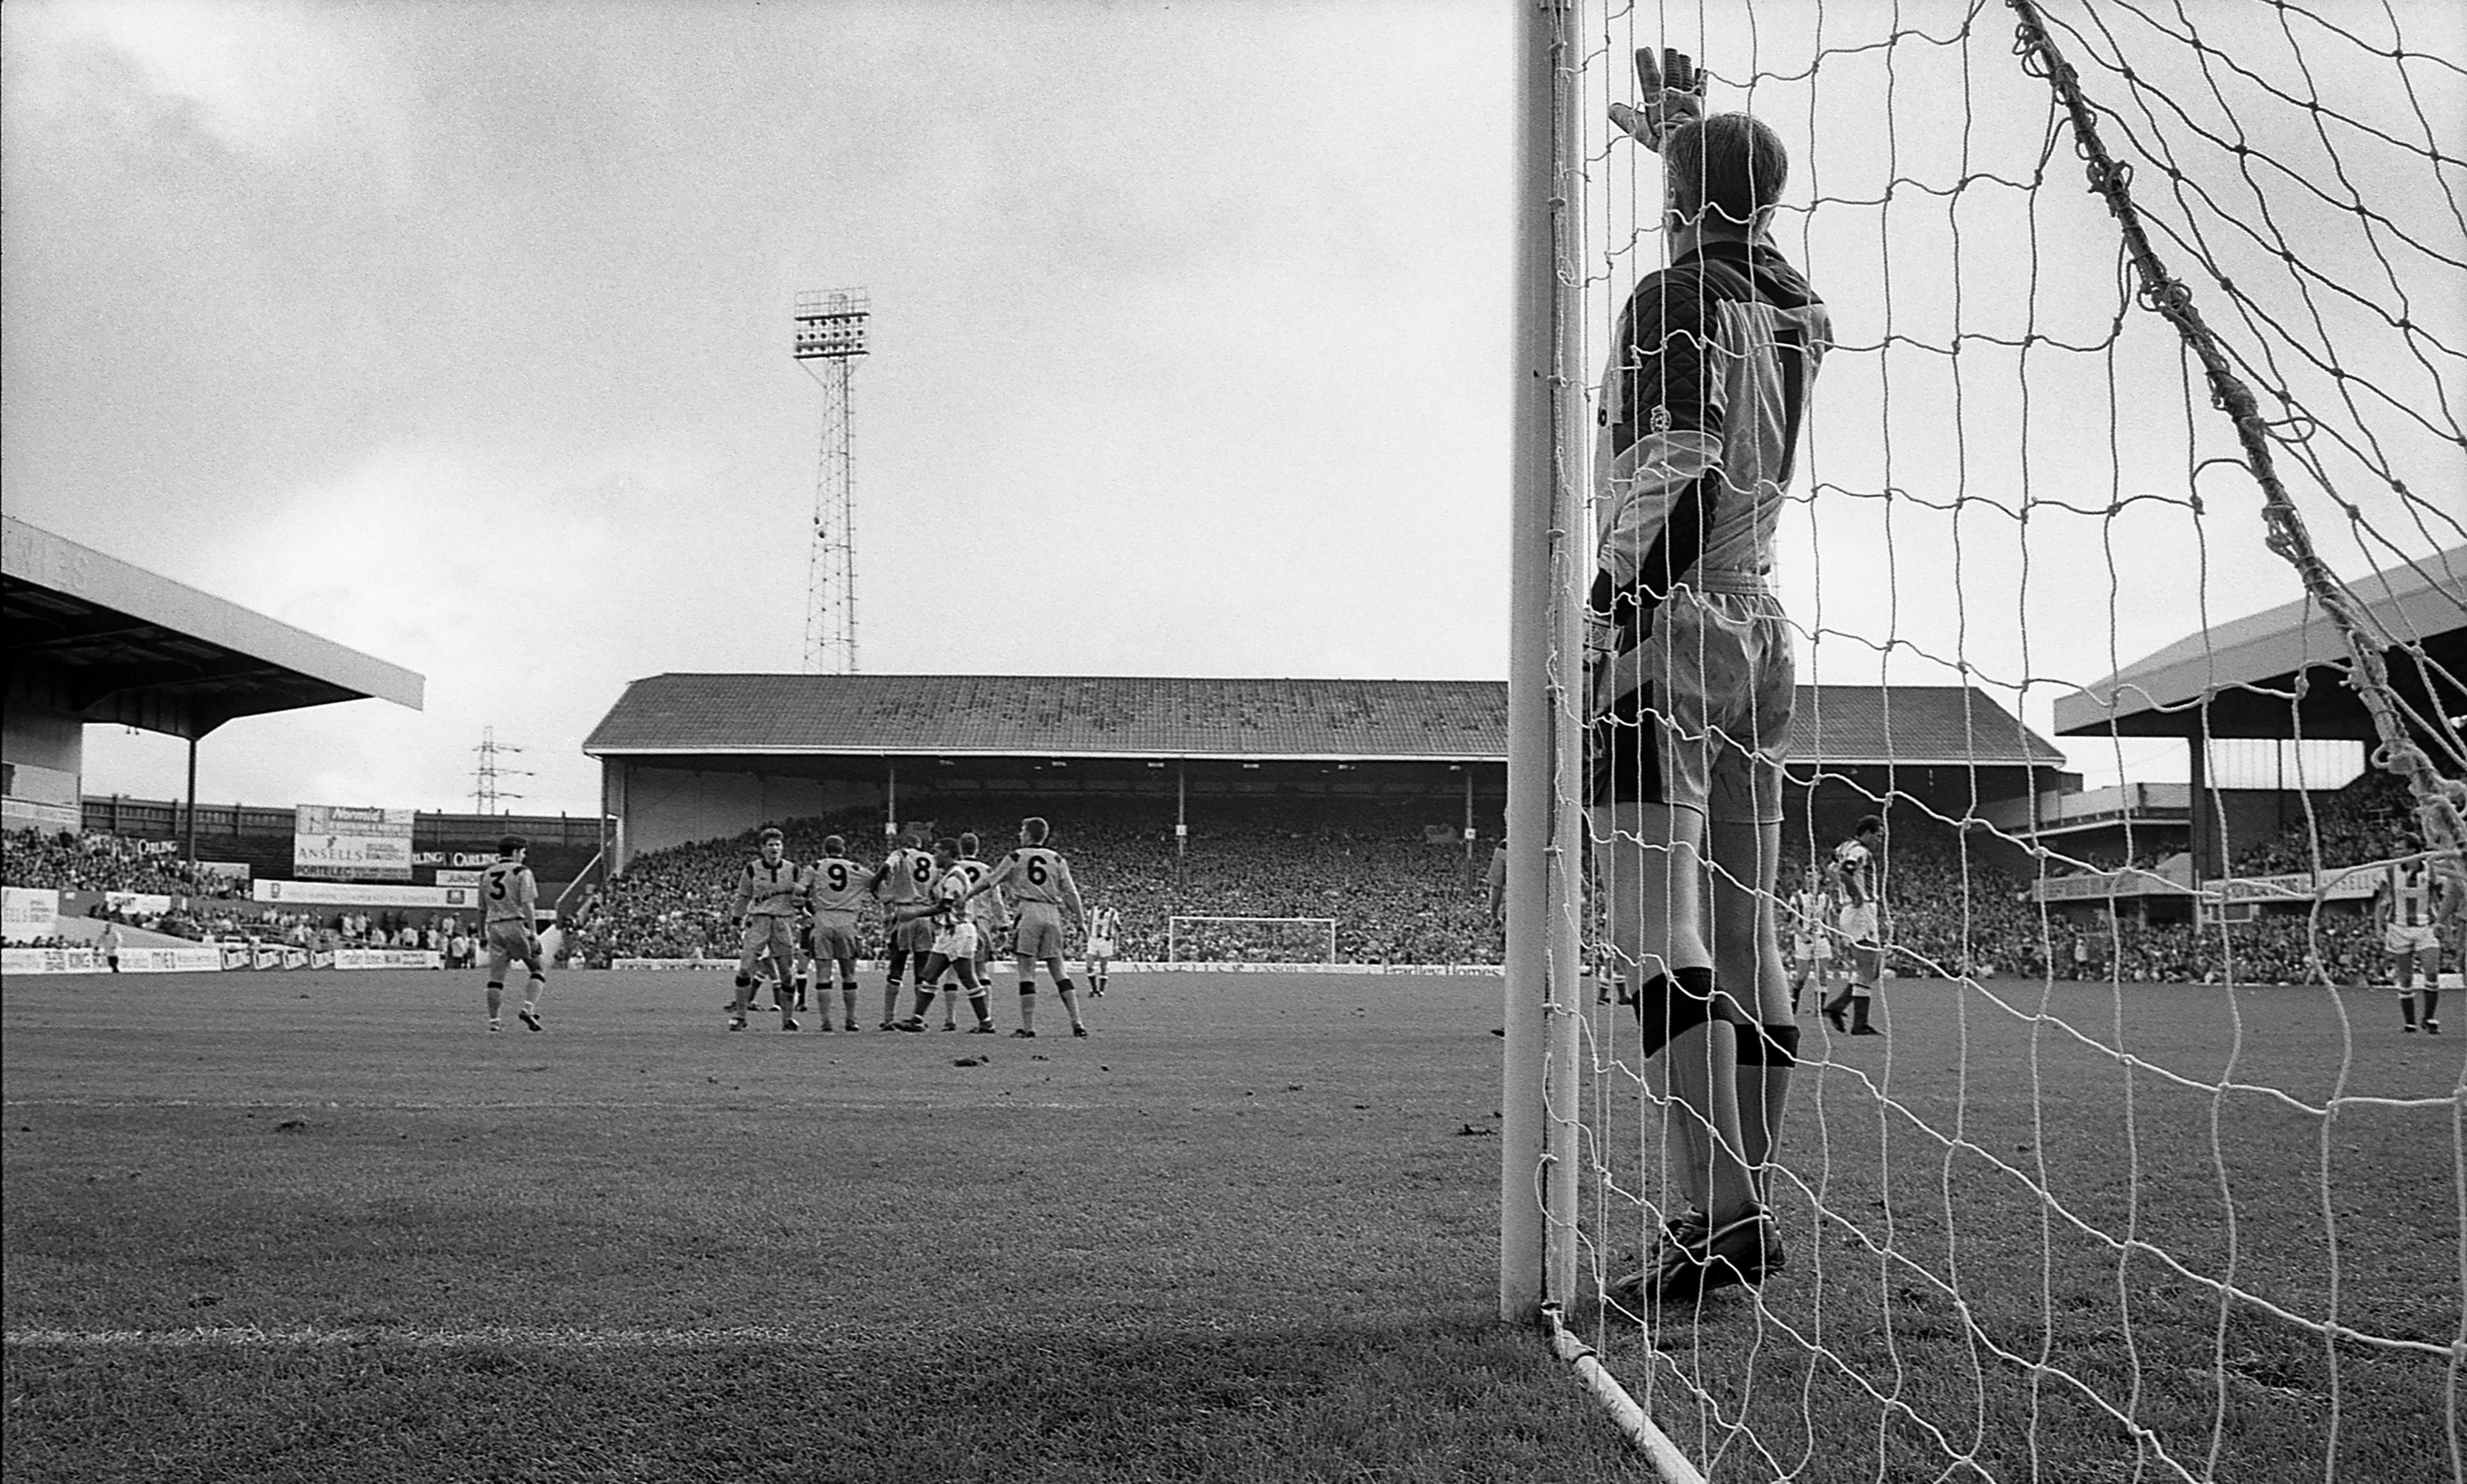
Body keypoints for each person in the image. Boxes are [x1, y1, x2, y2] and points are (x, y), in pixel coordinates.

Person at [1587, 47, 1830, 1310]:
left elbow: (1677, 462)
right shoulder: (1796, 309)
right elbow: (1749, 254)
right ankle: (1744, 1202)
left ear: (1683, 204)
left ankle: (1717, 1208)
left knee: (1655, 924)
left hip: (1669, 624)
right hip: (1762, 628)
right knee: (1749, 932)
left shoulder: (1668, 298)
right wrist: (1689, 143)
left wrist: (1607, 610)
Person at [959, 816, 1090, 1038]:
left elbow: (990, 881)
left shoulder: (1016, 857)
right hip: (1052, 913)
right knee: (1058, 969)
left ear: (1029, 834)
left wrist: (968, 895)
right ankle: (1077, 1023)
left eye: (1022, 831)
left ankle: (1028, 1027)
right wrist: (1081, 921)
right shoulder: (1057, 859)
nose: (1019, 834)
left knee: (1027, 971)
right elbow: (1070, 893)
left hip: (1029, 912)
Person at [894, 839, 997, 1034]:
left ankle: (987, 1022)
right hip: (954, 930)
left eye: (937, 852)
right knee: (930, 975)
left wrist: (913, 914)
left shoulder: (955, 877)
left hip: (956, 930)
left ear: (949, 853)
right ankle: (916, 1020)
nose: (934, 856)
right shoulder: (951, 875)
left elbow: (944, 906)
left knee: (964, 977)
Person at [730, 827, 806, 1032]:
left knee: (787, 973)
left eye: (778, 845)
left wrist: (805, 907)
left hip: (782, 923)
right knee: (746, 968)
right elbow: (743, 896)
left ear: (782, 848)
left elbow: (803, 895)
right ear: (763, 849)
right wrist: (736, 922)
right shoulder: (752, 870)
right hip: (758, 921)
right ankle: (740, 1016)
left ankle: (788, 1019)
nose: (774, 848)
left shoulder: (793, 870)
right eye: (770, 845)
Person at [1821, 817, 1887, 1037]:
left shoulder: (1845, 847)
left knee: (1870, 970)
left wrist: (1842, 889)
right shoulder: (1860, 851)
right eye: (1878, 835)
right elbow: (1845, 872)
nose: (1880, 840)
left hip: (1857, 912)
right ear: (1867, 833)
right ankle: (1857, 1022)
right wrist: (1855, 895)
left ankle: (1839, 1008)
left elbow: (1830, 868)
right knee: (1869, 969)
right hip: (1861, 911)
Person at [480, 835, 549, 1032]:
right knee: (537, 969)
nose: (524, 857)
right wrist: (533, 933)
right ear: (517, 852)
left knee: (496, 978)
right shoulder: (521, 872)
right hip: (516, 924)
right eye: (523, 853)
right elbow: (527, 903)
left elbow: (481, 910)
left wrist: (482, 935)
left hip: (494, 927)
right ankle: (528, 1008)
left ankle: (494, 1022)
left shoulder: (486, 874)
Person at [870, 828, 937, 1030]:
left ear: (905, 845)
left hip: (904, 914)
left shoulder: (900, 854)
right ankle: (918, 1018)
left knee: (896, 967)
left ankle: (889, 1019)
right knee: (922, 969)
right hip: (925, 915)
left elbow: (886, 868)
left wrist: (876, 888)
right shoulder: (932, 859)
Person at [802, 835, 869, 1032]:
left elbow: (800, 892)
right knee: (848, 974)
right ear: (844, 849)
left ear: (824, 850)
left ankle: (826, 1022)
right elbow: (875, 881)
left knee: (823, 975)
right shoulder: (855, 868)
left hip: (823, 921)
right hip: (847, 922)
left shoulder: (815, 867)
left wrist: (807, 905)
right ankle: (851, 1020)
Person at [2375, 850, 2446, 1033]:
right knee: (2405, 976)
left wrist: (2443, 922)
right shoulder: (2390, 872)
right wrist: (2378, 926)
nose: (2398, 852)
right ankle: (2410, 1023)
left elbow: (2442, 898)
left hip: (2427, 926)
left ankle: (2429, 1018)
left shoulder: (2431, 871)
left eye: (2402, 848)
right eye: (2396, 849)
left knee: (2432, 971)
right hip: (2399, 928)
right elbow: (2381, 901)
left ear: (2414, 852)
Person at [1783, 864, 1833, 1014]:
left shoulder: (1826, 899)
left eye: (1814, 876)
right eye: (1808, 876)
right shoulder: (1797, 897)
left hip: (1821, 938)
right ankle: (1793, 1004)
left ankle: (1819, 1009)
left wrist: (1832, 937)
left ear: (1820, 878)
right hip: (1803, 939)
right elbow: (1792, 921)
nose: (1811, 880)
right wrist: (1804, 937)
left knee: (1823, 974)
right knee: (1802, 977)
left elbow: (1828, 920)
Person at [1085, 903, 1122, 996]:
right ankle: (1094, 989)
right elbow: (1087, 924)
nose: (1104, 902)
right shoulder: (1092, 911)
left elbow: (1117, 930)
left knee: (1103, 967)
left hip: (1106, 940)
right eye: (1102, 899)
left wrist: (1116, 944)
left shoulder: (1113, 913)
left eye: (1106, 900)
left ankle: (1101, 991)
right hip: (1093, 940)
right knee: (1089, 965)